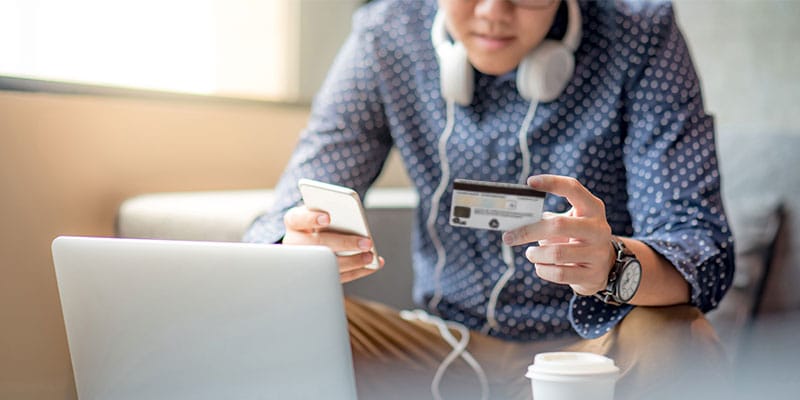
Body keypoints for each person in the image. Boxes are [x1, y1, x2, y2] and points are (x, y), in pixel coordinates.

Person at [244, 0, 734, 399]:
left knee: (676, 337)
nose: (494, 13)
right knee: (275, 322)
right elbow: (290, 208)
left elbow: (698, 247)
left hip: (592, 350)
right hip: (438, 344)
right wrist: (296, 246)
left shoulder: (641, 33)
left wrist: (613, 264)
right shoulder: (386, 34)